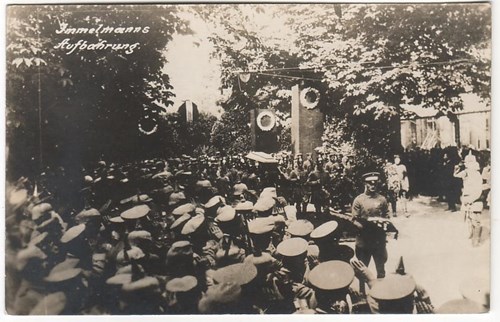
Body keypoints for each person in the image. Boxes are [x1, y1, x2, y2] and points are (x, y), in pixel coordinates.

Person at [350, 172, 390, 288]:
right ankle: (362, 292)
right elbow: (354, 219)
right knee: (363, 269)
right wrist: (363, 227)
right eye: (370, 183)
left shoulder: (382, 199)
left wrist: (384, 225)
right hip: (364, 240)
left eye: (375, 183)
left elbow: (387, 216)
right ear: (365, 184)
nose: (373, 185)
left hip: (378, 241)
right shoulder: (359, 200)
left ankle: (381, 292)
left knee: (381, 269)